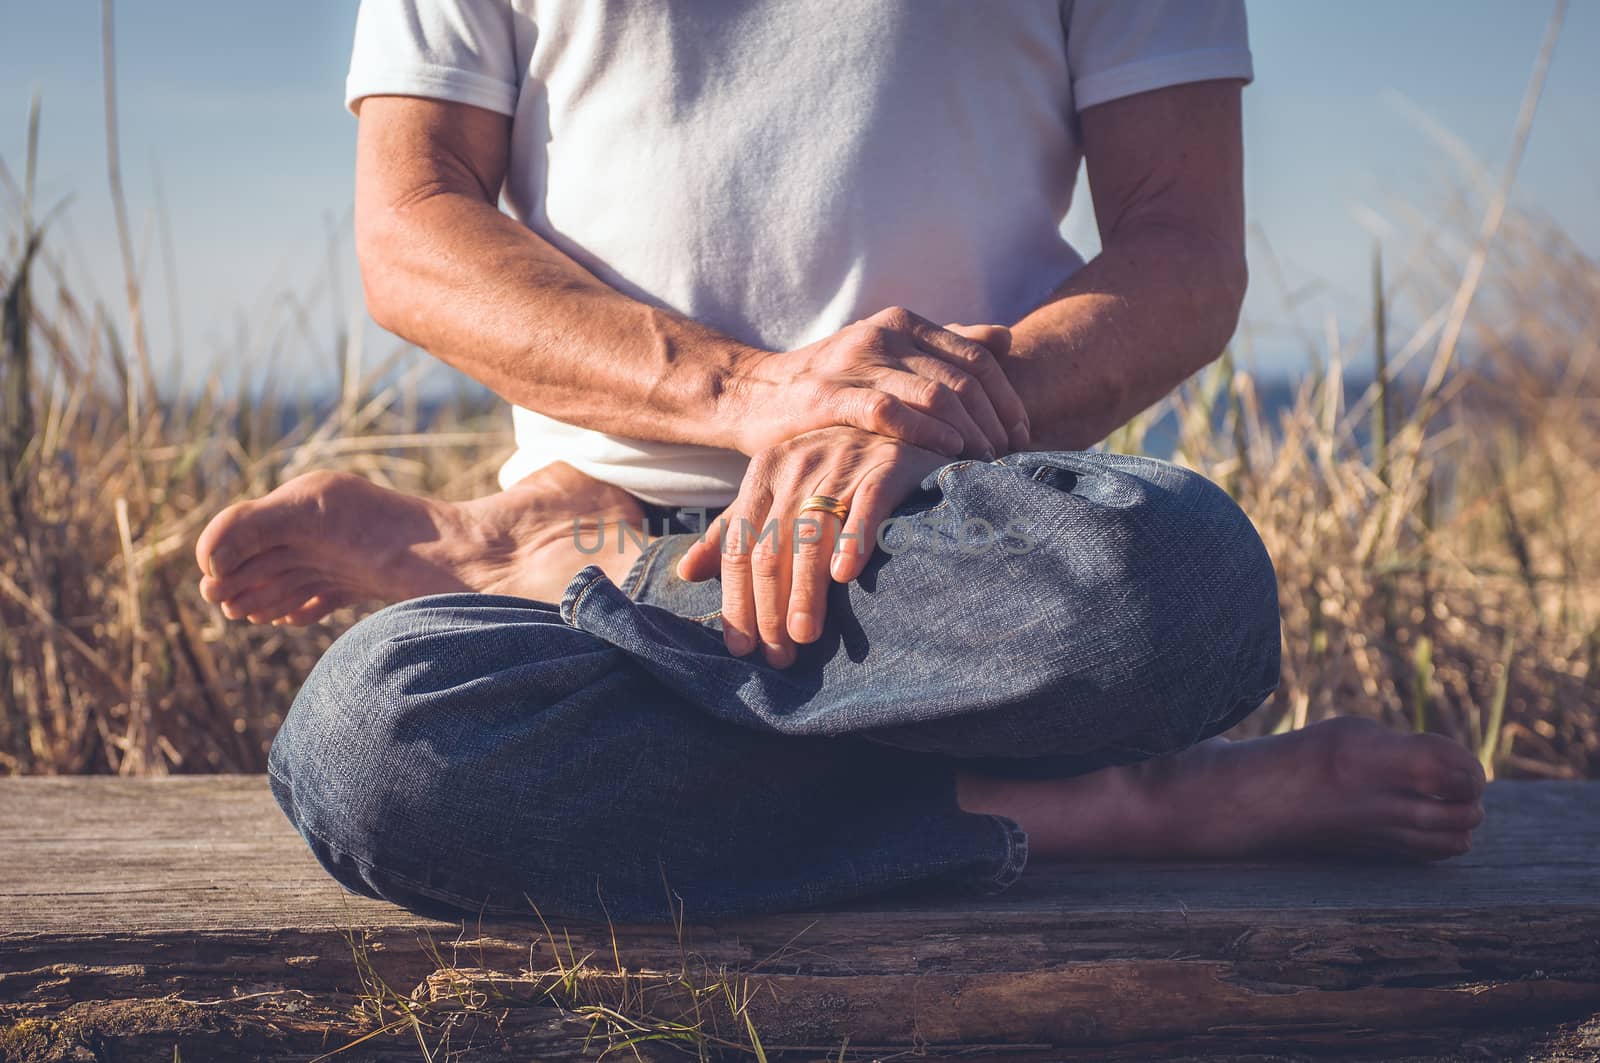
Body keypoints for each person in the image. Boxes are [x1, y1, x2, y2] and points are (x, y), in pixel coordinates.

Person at [196, 0, 1487, 922]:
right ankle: (1119, 807)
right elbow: (413, 230)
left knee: (1181, 586)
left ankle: (561, 565)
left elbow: (1183, 252)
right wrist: (755, 392)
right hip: (621, 489)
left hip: (944, 545)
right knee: (380, 749)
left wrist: (913, 416)